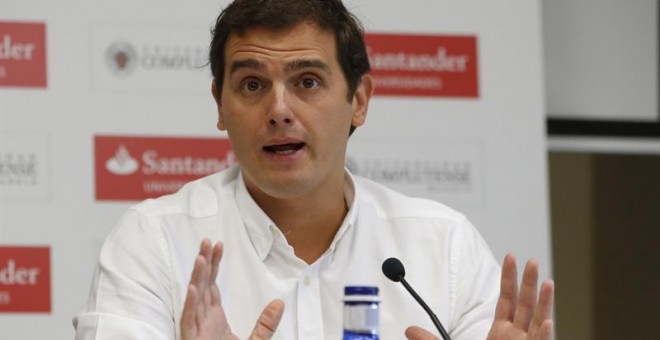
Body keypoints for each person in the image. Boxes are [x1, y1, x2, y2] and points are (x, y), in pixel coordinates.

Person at [74, 0, 554, 339]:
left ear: (359, 100)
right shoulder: (155, 243)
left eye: (307, 81)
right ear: (220, 105)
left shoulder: (443, 250)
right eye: (252, 84)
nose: (279, 109)